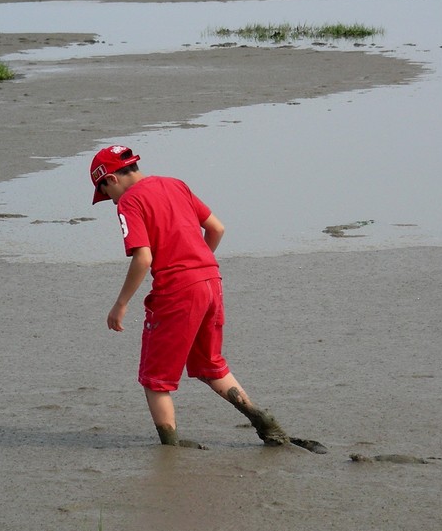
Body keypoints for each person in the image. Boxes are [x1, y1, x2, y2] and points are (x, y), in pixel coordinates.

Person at [90, 144, 292, 449]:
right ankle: (263, 420)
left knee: (154, 379)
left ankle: (169, 448)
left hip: (177, 292)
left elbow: (143, 258)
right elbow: (217, 228)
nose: (110, 200)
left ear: (111, 179)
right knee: (211, 365)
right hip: (211, 280)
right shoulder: (175, 184)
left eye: (105, 193)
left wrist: (120, 304)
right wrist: (196, 265)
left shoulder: (129, 202)